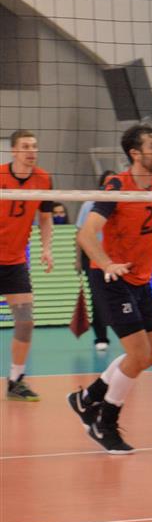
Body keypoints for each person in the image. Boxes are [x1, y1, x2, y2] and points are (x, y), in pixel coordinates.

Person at [68, 125, 152, 454]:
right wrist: (107, 264)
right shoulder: (117, 186)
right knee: (139, 354)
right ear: (135, 153)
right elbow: (85, 235)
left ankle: (87, 398)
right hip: (112, 278)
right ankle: (104, 422)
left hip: (141, 279)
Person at [0, 130, 54, 401]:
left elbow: (45, 217)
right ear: (14, 151)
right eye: (25, 146)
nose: (31, 151)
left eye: (34, 146)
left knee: (25, 321)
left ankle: (16, 380)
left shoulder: (43, 179)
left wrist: (46, 248)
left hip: (15, 262)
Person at [76, 171, 115, 352]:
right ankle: (101, 337)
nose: (112, 186)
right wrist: (78, 259)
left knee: (120, 297)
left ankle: (128, 334)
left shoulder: (124, 203)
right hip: (92, 257)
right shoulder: (89, 204)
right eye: (108, 183)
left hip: (115, 257)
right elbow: (80, 233)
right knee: (98, 298)